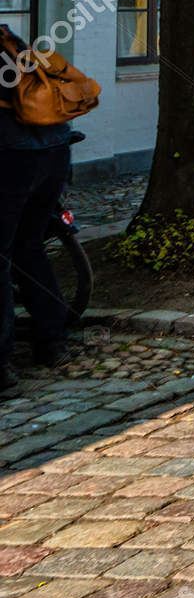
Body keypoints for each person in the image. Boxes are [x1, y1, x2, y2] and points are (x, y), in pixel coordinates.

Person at [0, 35, 75, 392]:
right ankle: (52, 342)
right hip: (54, 148)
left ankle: (2, 367)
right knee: (29, 247)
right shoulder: (12, 42)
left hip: (13, 155)